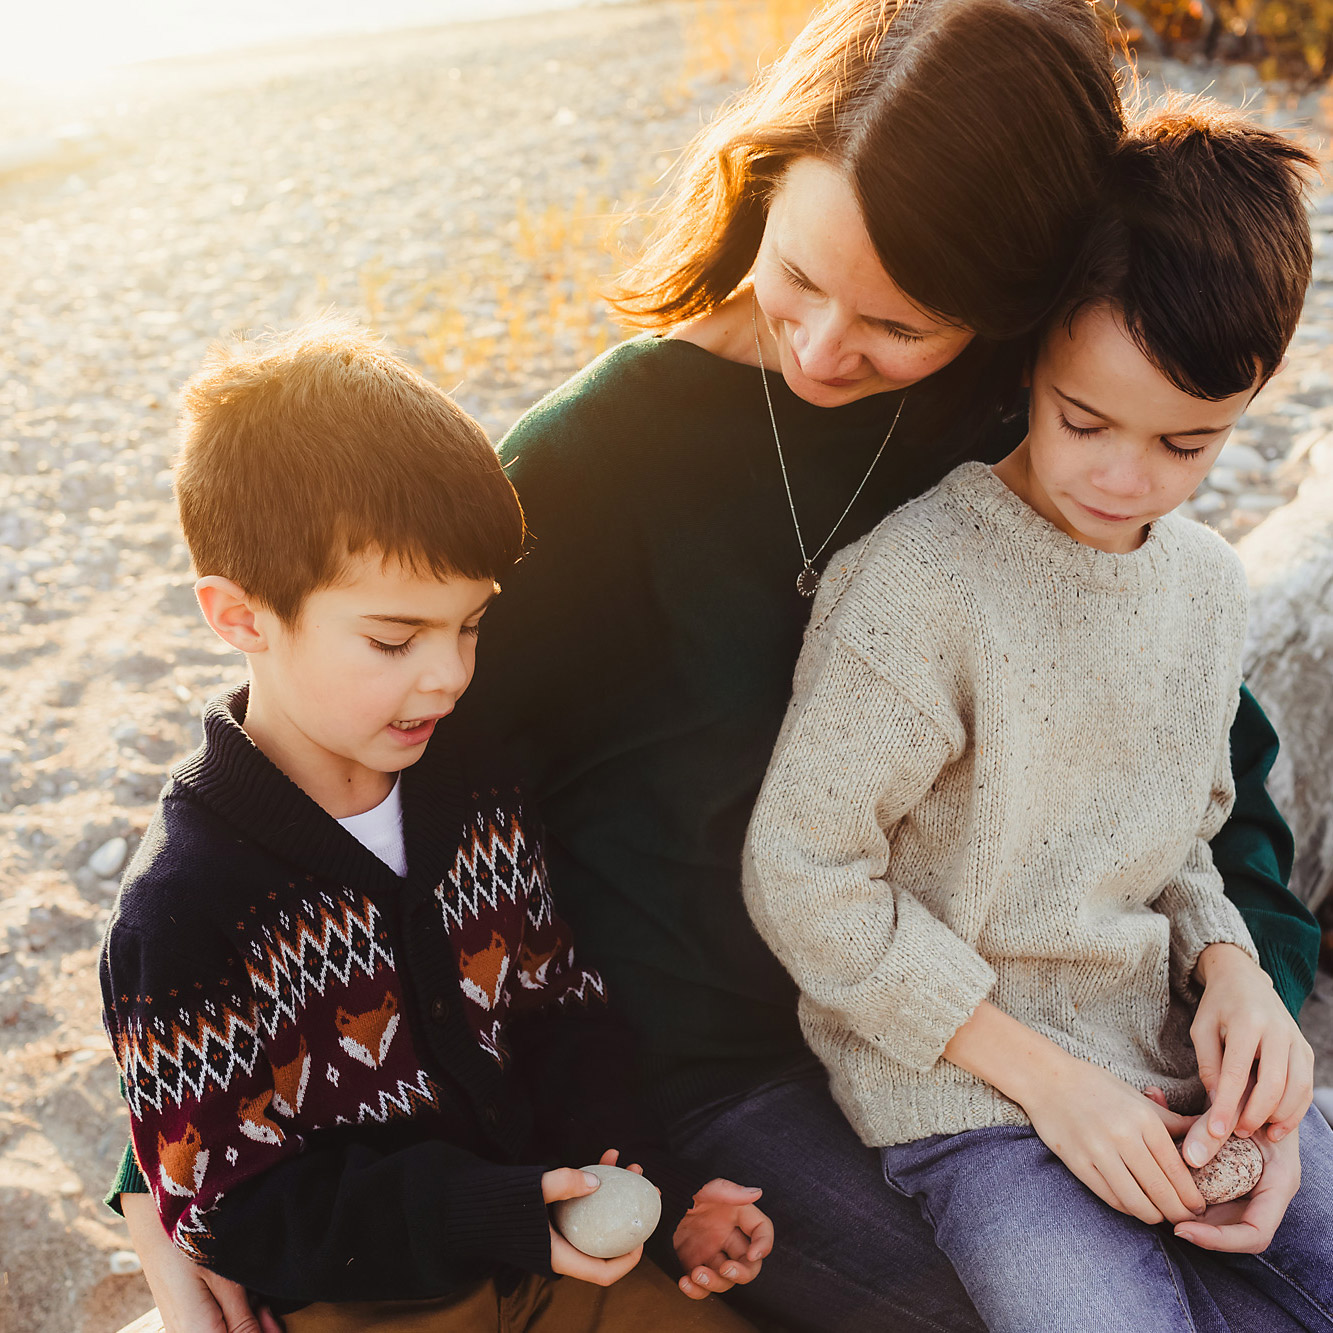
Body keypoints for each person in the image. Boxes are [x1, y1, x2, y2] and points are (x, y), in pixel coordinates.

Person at [116, 1, 1321, 1328]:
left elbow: (1199, 747)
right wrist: (159, 1184)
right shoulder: (595, 465)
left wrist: (1243, 976)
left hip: (1036, 1024)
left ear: (1019, 311)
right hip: (718, 1074)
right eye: (795, 274)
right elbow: (319, 757)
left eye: (901, 323)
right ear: (758, 180)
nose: (819, 349)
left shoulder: (1041, 425)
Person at [742, 103, 1330, 1331]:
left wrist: (1232, 970)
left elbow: (1176, 839)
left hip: (1171, 1057)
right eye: (1085, 421)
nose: (1125, 480)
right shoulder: (915, 587)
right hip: (968, 1100)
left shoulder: (1203, 586)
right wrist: (1051, 1083)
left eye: (1187, 444)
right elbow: (802, 872)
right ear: (1028, 366)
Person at [100, 319, 771, 1333]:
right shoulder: (184, 911)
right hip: (366, 1301)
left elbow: (559, 1017)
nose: (448, 675)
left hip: (549, 1250)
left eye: (468, 624)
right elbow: (231, 1211)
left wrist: (662, 1194)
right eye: (392, 637)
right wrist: (491, 1213)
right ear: (240, 618)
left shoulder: (474, 788)